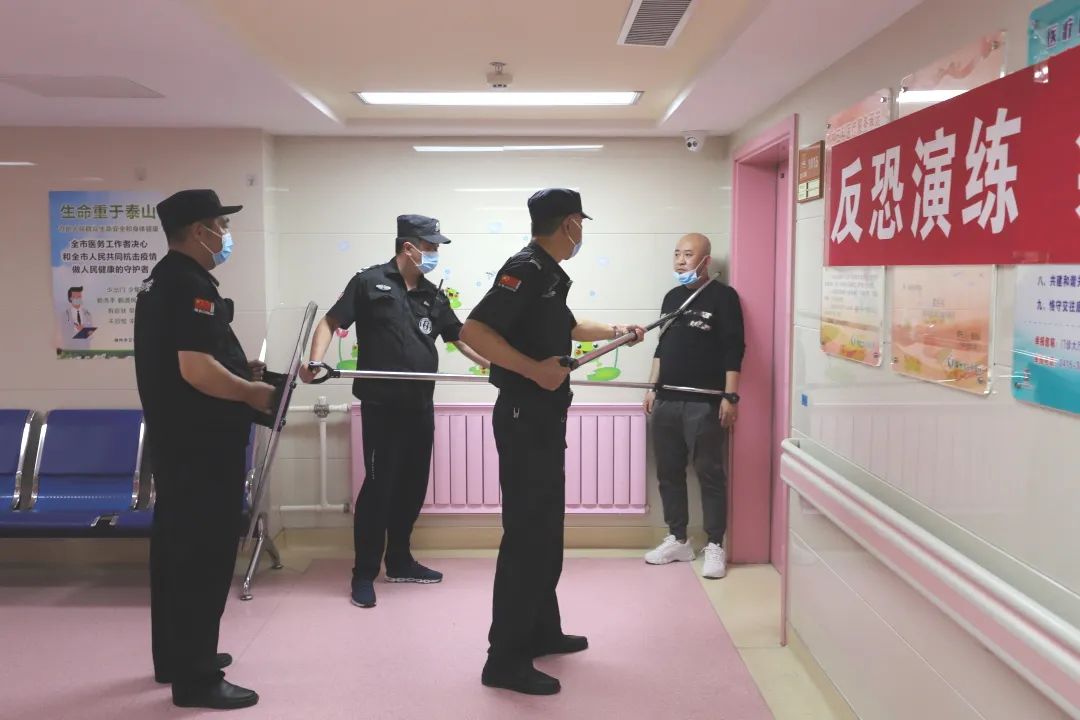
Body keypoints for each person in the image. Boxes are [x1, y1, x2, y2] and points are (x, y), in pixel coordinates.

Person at [461, 189, 645, 696]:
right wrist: (533, 371)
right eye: (581, 222)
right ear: (569, 223)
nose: (582, 231)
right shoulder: (525, 268)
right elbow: (475, 330)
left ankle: (541, 629)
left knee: (546, 532)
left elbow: (569, 326)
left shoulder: (550, 274)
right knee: (527, 536)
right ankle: (504, 659)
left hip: (543, 418)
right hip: (523, 415)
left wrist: (617, 331)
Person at [299, 214, 487, 609]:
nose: (434, 254)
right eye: (430, 247)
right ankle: (363, 573)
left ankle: (400, 561)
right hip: (381, 405)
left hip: (419, 405)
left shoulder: (433, 295)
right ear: (409, 247)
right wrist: (314, 361)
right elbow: (330, 322)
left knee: (412, 486)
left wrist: (494, 364)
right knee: (379, 487)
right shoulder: (368, 282)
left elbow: (458, 337)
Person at [134, 189, 275, 710]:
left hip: (177, 444)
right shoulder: (190, 283)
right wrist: (252, 392)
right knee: (202, 561)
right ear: (199, 231)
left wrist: (237, 370)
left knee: (175, 555)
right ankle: (196, 679)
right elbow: (195, 370)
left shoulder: (159, 280)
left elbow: (187, 358)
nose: (225, 235)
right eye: (221, 225)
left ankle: (175, 657)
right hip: (202, 448)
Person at [642, 233, 745, 580]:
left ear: (706, 261)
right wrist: (652, 388)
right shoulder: (672, 297)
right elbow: (661, 347)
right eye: (677, 254)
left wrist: (730, 396)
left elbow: (734, 349)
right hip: (667, 399)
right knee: (668, 472)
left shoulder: (724, 297)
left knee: (709, 473)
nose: (680, 260)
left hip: (704, 402)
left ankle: (715, 544)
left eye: (688, 254)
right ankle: (678, 539)